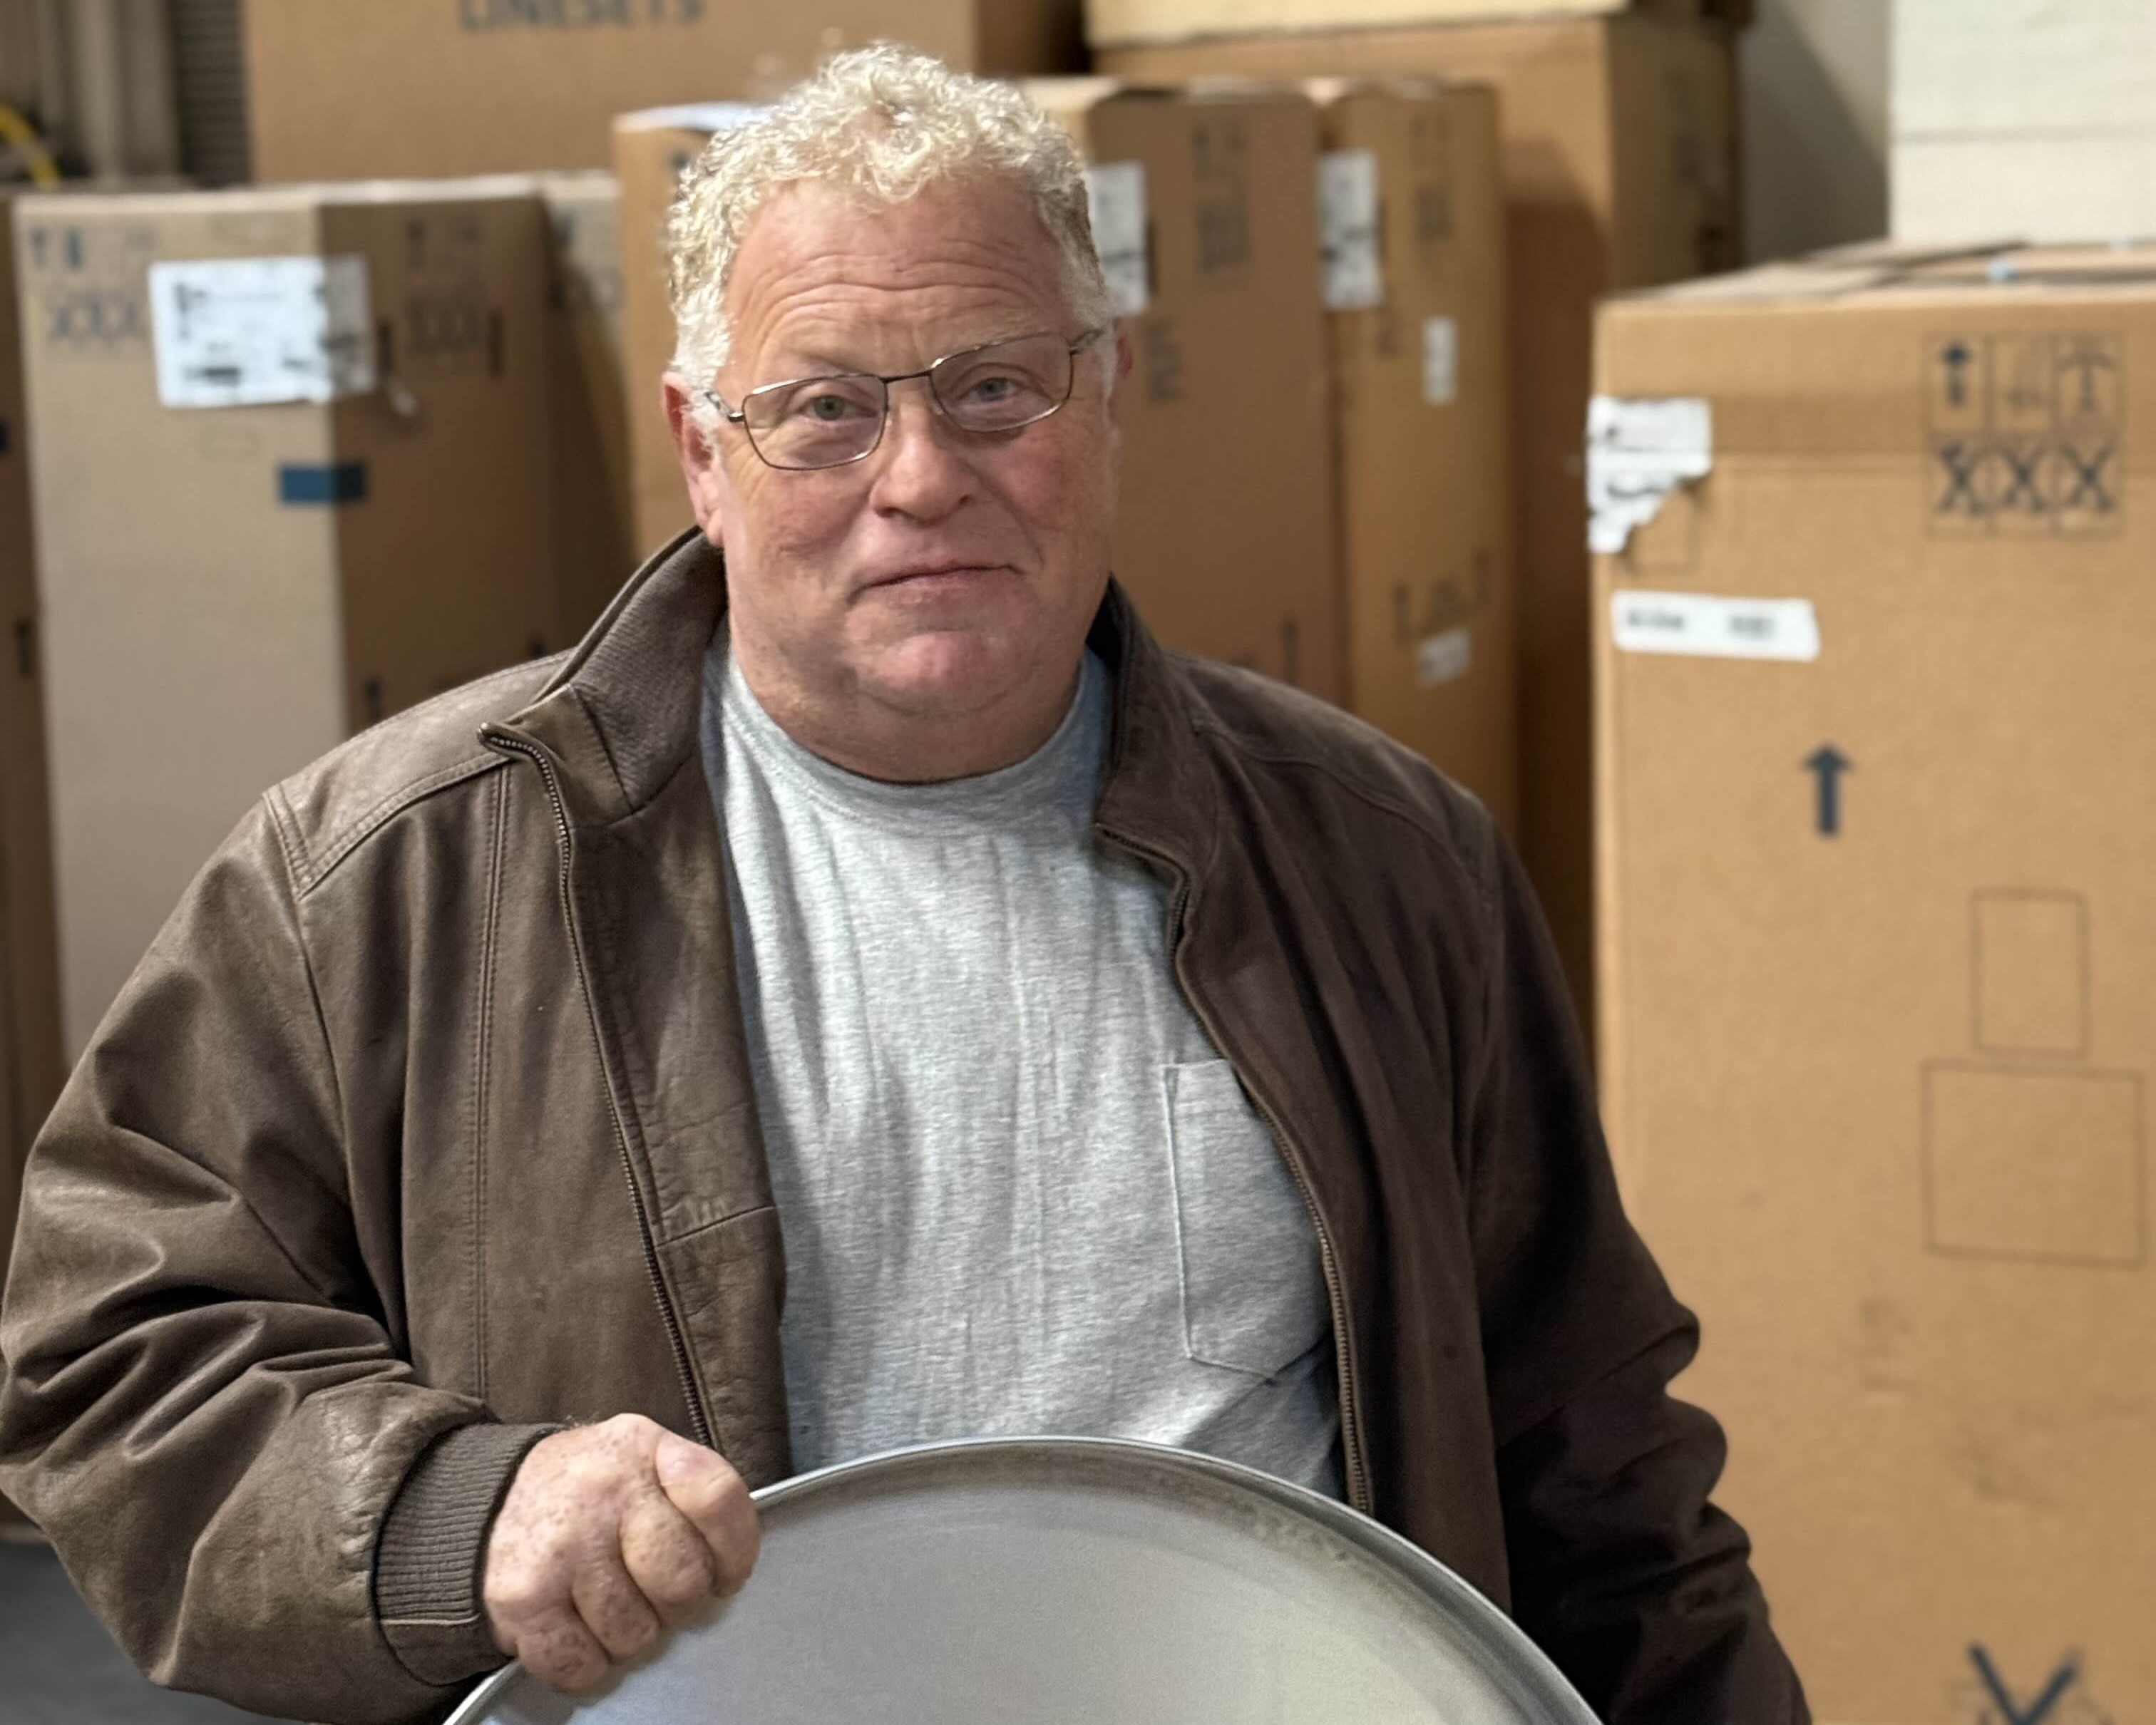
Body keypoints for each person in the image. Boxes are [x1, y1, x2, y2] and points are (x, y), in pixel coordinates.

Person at [0, 46, 1807, 1725]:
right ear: (704, 453)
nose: (924, 477)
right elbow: (107, 1357)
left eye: (995, 387)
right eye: (827, 411)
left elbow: (1597, 1463)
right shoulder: (391, 880)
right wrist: (454, 1507)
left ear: (1106, 400)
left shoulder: (1384, 862)